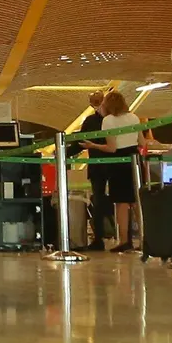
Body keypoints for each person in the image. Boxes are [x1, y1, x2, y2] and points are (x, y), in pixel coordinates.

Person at [81, 91, 144, 253]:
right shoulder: (134, 117)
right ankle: (145, 239)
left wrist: (92, 146)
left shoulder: (108, 121)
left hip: (118, 163)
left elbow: (112, 147)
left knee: (122, 203)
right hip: (135, 160)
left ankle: (124, 241)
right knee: (137, 201)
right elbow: (141, 142)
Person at [71, 91, 112, 250]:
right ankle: (124, 238)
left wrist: (62, 153)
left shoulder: (91, 121)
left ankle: (99, 238)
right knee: (122, 202)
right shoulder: (116, 120)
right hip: (116, 165)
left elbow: (80, 142)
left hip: (98, 167)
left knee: (99, 202)